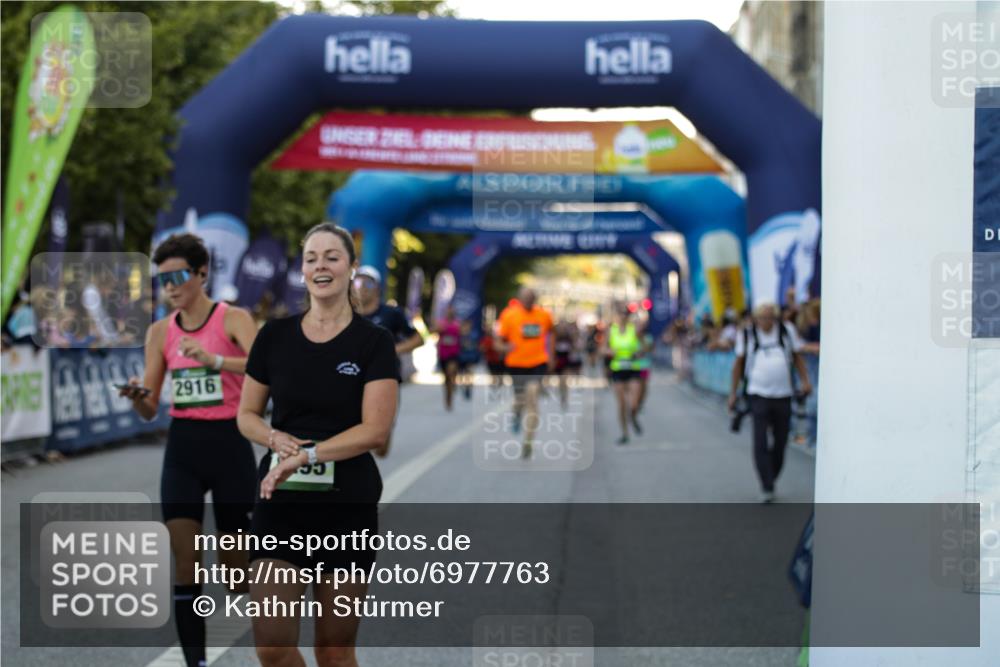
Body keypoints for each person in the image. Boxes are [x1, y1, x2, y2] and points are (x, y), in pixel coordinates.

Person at [237, 223, 398, 667]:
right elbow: (246, 415)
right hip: (279, 502)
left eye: (332, 256)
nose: (320, 266)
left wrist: (308, 455)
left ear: (350, 268)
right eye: (311, 258)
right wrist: (273, 438)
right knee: (271, 646)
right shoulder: (274, 336)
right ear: (302, 270)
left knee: (333, 650)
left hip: (346, 506)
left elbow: (375, 431)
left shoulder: (374, 342)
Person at [118, 233, 259, 667]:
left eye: (178, 276)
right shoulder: (161, 332)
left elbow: (266, 370)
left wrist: (215, 361)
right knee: (186, 565)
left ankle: (273, 644)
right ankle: (194, 662)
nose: (171, 287)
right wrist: (138, 394)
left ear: (201, 274)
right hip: (183, 448)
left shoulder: (232, 319)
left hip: (230, 445)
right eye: (163, 280)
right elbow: (148, 409)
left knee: (237, 576)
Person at [727, 302, 813, 503]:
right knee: (760, 440)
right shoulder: (747, 335)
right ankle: (766, 484)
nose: (766, 322)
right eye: (763, 318)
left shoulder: (786, 331)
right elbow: (738, 364)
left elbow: (797, 357)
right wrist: (733, 393)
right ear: (756, 318)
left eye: (770, 317)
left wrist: (805, 381)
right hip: (758, 394)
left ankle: (771, 474)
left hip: (783, 394)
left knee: (781, 440)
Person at [354, 264, 422, 454]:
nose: (360, 287)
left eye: (367, 283)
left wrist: (392, 350)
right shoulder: (346, 314)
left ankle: (383, 431)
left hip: (386, 377)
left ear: (377, 288)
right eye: (357, 282)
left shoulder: (392, 314)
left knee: (380, 442)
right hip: (353, 375)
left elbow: (418, 339)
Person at [496, 287, 554, 458]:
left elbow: (552, 333)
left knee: (533, 398)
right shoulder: (509, 315)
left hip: (538, 362)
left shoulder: (544, 316)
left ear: (535, 298)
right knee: (520, 400)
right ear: (520, 298)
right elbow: (498, 341)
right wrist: (505, 347)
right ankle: (516, 414)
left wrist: (551, 355)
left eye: (531, 297)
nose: (528, 301)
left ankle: (528, 441)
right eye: (525, 298)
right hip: (516, 364)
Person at [602, 304, 648, 445]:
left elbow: (645, 346)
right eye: (620, 314)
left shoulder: (634, 330)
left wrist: (640, 352)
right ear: (616, 316)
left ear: (628, 316)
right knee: (621, 404)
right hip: (618, 370)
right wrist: (610, 352)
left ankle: (633, 417)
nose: (623, 316)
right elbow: (602, 349)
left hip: (633, 368)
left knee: (634, 404)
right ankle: (625, 433)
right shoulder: (611, 331)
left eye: (625, 314)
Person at [435, 304, 462, 410]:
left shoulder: (457, 323)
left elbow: (464, 331)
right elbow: (433, 331)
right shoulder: (441, 323)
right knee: (446, 378)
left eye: (451, 311)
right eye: (448, 311)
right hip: (443, 354)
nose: (449, 312)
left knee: (451, 374)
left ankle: (451, 391)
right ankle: (448, 396)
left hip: (453, 354)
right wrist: (438, 329)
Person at [552, 319, 582, 410]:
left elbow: (575, 347)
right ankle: (561, 394)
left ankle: (565, 397)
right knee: (560, 382)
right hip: (558, 362)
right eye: (560, 326)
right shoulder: (555, 337)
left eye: (563, 327)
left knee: (564, 380)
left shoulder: (569, 337)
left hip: (566, 362)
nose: (562, 328)